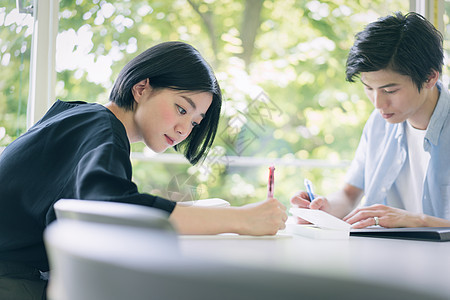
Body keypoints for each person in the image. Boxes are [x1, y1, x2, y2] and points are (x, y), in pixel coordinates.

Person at [0, 41, 287, 299]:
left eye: (195, 123)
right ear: (141, 88)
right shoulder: (100, 126)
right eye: (182, 109)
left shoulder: (83, 118)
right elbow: (116, 209)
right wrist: (241, 219)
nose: (184, 129)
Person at [291, 12, 450, 229]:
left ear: (430, 77)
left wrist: (418, 221)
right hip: (383, 255)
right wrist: (323, 207)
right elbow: (349, 194)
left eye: (390, 90)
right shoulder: (379, 123)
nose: (378, 103)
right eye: (368, 88)